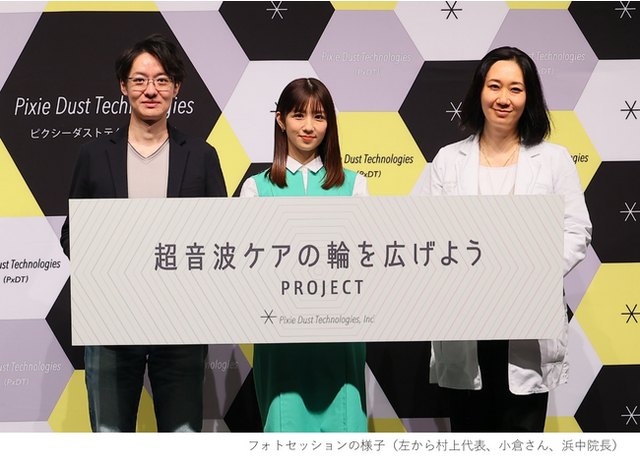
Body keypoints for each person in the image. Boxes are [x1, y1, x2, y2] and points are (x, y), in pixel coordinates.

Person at [60, 34, 227, 432]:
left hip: (182, 323)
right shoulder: (94, 154)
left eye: (162, 80)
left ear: (176, 87)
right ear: (123, 86)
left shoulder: (201, 156)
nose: (151, 90)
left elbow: (222, 238)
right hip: (111, 322)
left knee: (182, 440)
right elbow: (72, 235)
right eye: (139, 80)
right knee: (111, 438)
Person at [423, 46, 592, 432]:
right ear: (479, 92)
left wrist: (533, 273)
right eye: (494, 86)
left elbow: (576, 230)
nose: (503, 98)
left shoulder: (554, 160)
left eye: (515, 89)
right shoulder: (448, 160)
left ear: (529, 97)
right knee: (470, 442)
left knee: (522, 443)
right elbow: (425, 233)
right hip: (464, 318)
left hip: (526, 317)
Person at [240, 78, 369, 432]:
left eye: (319, 116)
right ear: (280, 120)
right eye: (299, 115)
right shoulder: (256, 188)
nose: (309, 126)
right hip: (280, 339)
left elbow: (364, 261)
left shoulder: (354, 185)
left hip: (341, 336)